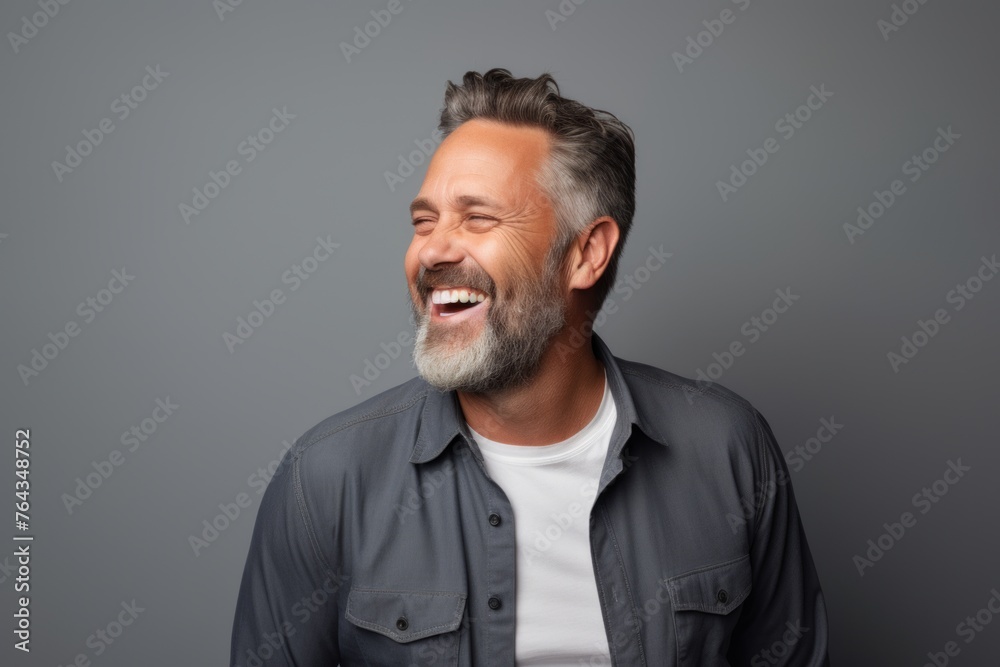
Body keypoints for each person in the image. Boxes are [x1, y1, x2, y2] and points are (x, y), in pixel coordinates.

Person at [231, 68, 830, 666]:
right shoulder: (326, 479)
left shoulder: (726, 447)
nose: (433, 250)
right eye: (423, 220)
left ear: (585, 253)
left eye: (478, 218)